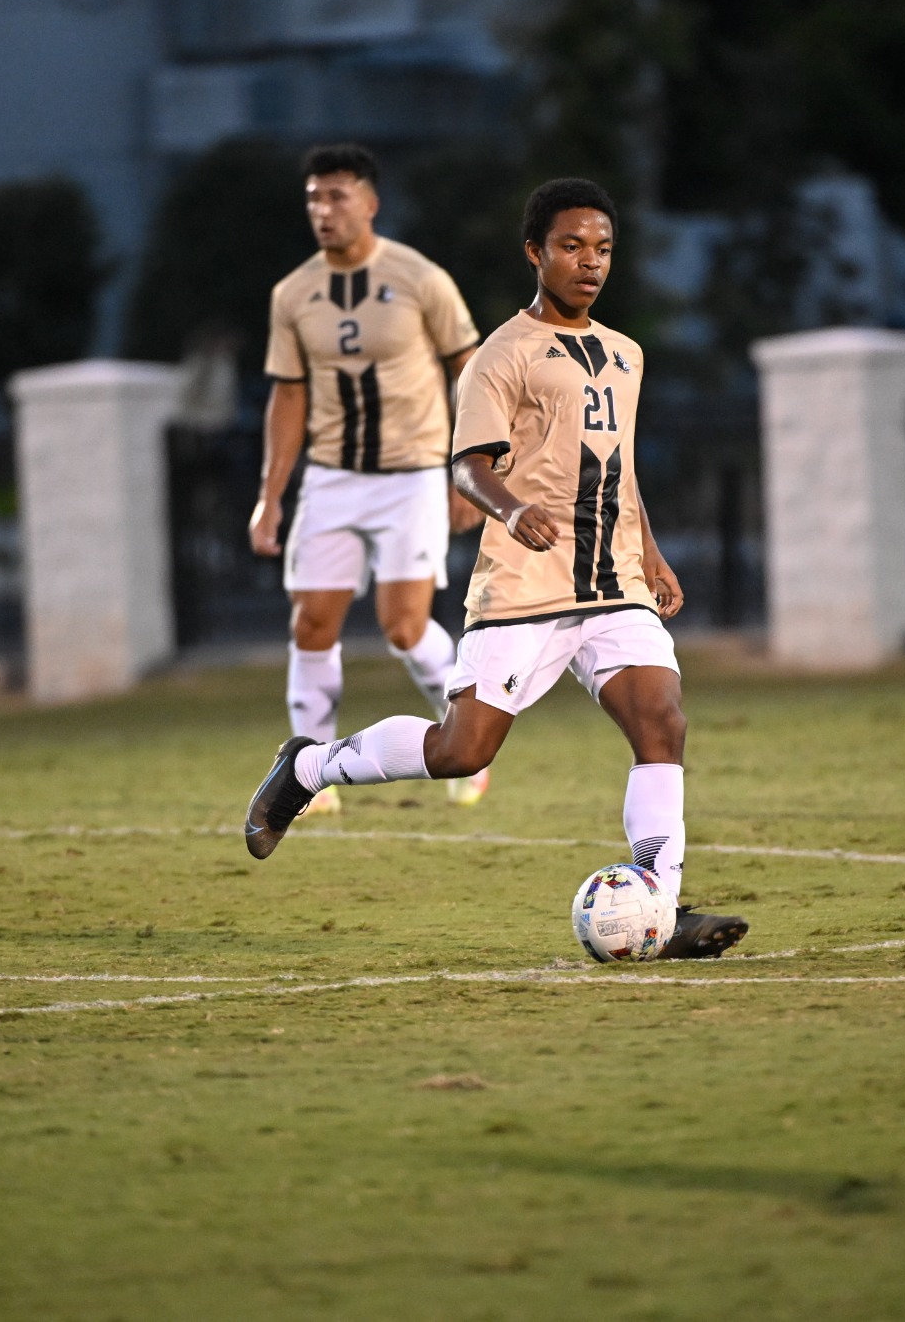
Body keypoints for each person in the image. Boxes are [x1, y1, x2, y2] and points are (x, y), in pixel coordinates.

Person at [245, 177, 751, 960]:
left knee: (663, 722)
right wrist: (512, 509)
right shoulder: (499, 355)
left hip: (613, 581)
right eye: (572, 246)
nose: (590, 263)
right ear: (535, 252)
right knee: (463, 750)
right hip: (525, 583)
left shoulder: (626, 354)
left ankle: (659, 899)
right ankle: (309, 766)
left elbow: (619, 467)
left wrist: (648, 549)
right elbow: (467, 467)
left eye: (603, 248)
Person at [250, 143, 488, 816]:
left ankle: (467, 745)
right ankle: (306, 770)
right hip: (329, 478)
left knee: (404, 624)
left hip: (410, 475)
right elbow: (288, 396)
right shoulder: (292, 293)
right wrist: (270, 497)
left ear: (370, 203)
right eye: (313, 199)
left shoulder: (419, 277)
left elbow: (468, 370)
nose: (323, 211)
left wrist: (467, 468)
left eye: (337, 196)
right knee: (312, 620)